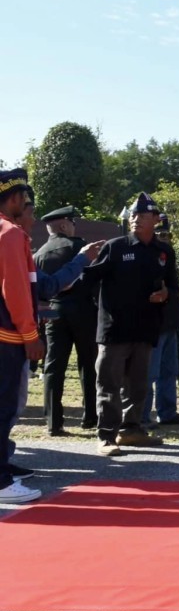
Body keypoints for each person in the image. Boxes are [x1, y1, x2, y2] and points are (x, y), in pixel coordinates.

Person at [82, 193, 179, 457]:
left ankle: (131, 429)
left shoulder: (164, 252)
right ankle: (106, 436)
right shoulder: (116, 247)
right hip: (115, 331)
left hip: (146, 329)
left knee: (138, 385)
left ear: (156, 220)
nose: (136, 219)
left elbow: (172, 285)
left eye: (143, 215)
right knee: (109, 385)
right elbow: (89, 279)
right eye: (134, 215)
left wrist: (165, 294)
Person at [34, 205, 99, 434]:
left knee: (53, 366)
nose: (74, 227)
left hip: (53, 311)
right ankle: (91, 416)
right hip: (82, 309)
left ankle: (53, 421)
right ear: (64, 224)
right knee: (88, 364)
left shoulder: (38, 254)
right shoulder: (80, 248)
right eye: (73, 222)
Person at [0, 169, 44, 503]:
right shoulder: (10, 234)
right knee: (2, 409)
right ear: (14, 198)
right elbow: (15, 290)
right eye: (25, 199)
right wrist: (30, 335)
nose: (26, 205)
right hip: (7, 338)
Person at [142, 216, 179, 428]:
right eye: (160, 234)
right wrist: (178, 290)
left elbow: (170, 288)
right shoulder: (148, 255)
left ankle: (167, 413)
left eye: (167, 235)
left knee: (169, 371)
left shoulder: (168, 255)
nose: (165, 238)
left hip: (170, 322)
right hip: (154, 323)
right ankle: (142, 415)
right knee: (150, 372)